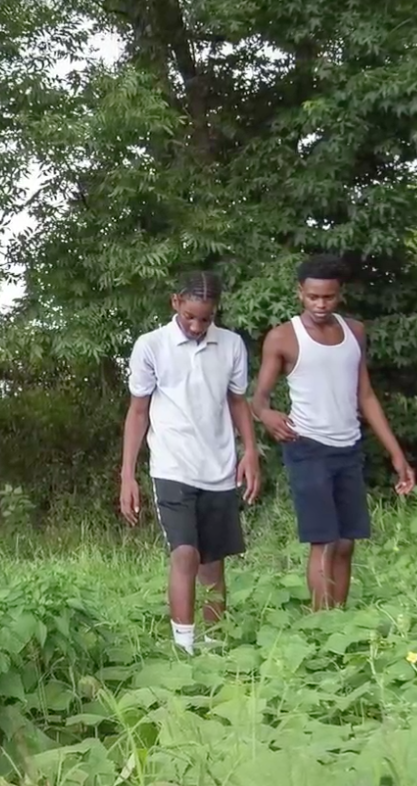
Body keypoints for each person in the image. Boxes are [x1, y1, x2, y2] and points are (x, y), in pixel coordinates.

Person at [253, 254, 415, 610]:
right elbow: (258, 399)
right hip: (306, 447)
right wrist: (267, 416)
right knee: (324, 542)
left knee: (346, 542)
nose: (320, 304)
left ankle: (337, 619)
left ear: (339, 294)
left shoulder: (354, 331)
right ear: (300, 293)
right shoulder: (283, 338)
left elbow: (366, 395)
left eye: (328, 297)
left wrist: (396, 453)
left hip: (348, 448)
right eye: (313, 297)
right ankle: (320, 621)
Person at [118, 271, 259, 655]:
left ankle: (214, 647)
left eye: (206, 318)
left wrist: (249, 451)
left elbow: (237, 402)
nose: (197, 326)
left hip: (218, 466)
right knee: (185, 553)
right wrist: (127, 475)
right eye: (190, 317)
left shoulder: (231, 345)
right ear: (175, 303)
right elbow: (137, 412)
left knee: (212, 563)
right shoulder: (151, 346)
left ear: (216, 313)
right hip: (171, 466)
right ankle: (184, 648)